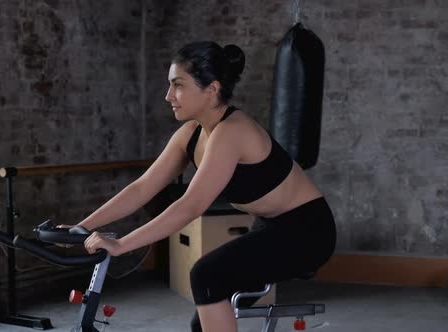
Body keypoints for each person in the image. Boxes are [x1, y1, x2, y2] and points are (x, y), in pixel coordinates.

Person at [75, 41, 337, 332]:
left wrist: (121, 245)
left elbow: (191, 205)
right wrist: (81, 227)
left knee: (205, 276)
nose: (168, 96)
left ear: (212, 89)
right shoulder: (191, 134)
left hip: (307, 230)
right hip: (270, 226)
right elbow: (143, 187)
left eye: (178, 85)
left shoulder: (233, 131)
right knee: (205, 319)